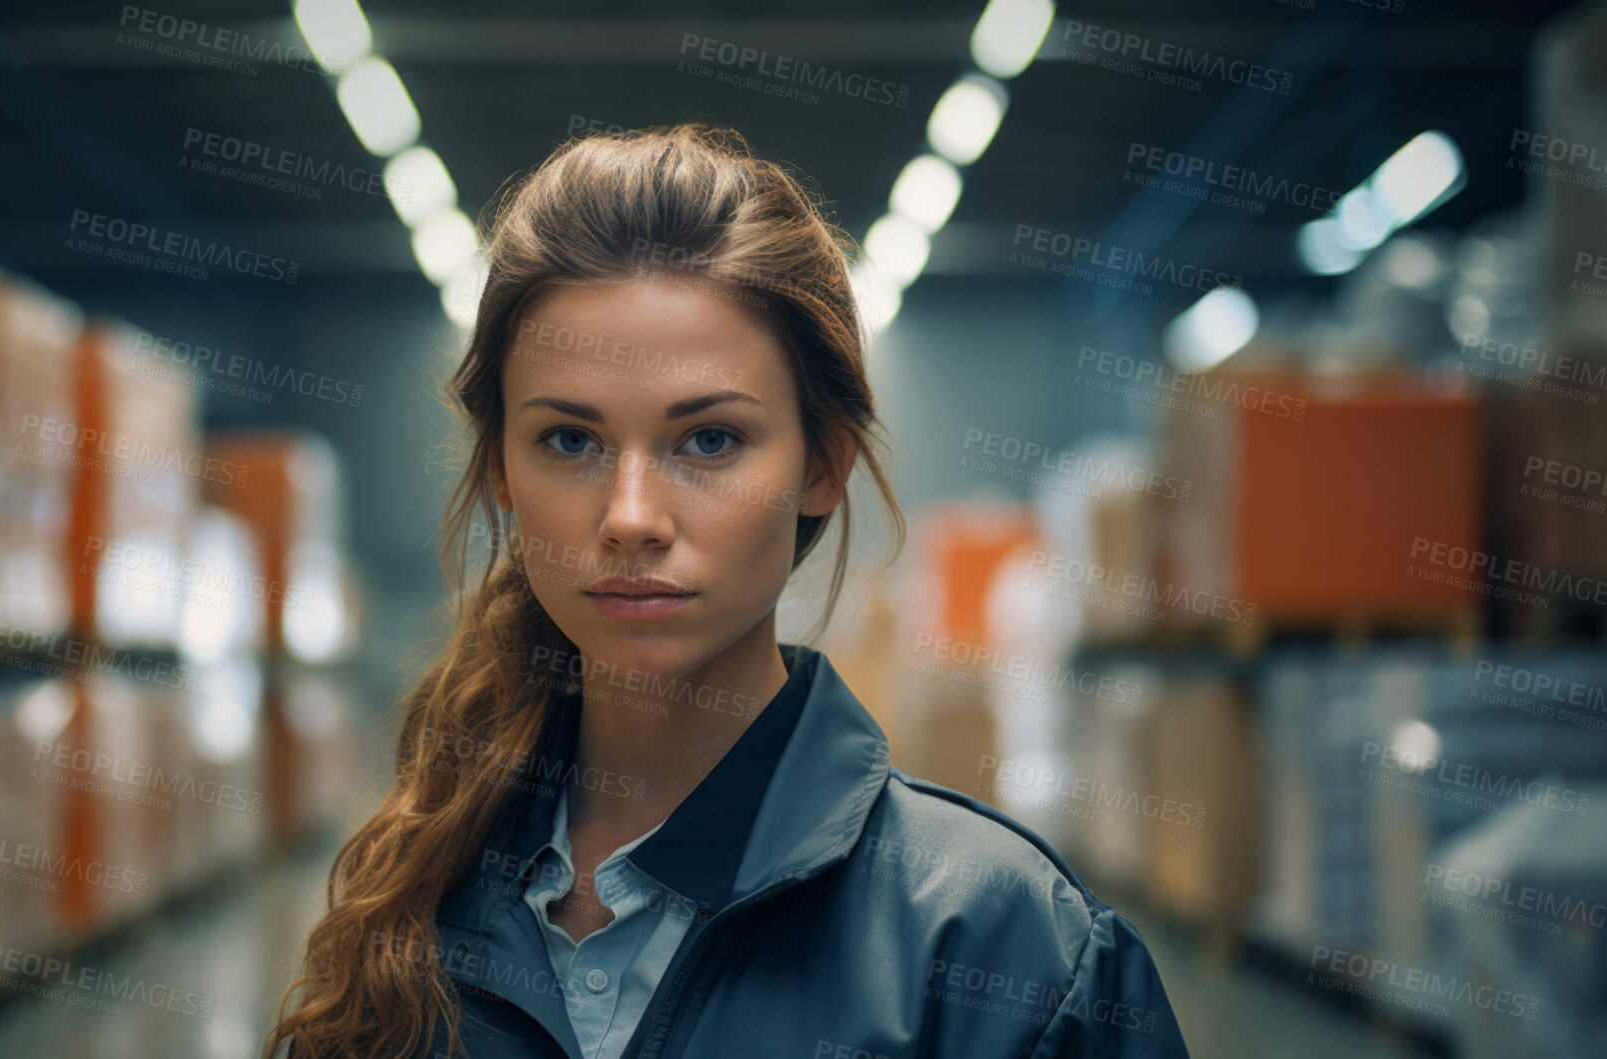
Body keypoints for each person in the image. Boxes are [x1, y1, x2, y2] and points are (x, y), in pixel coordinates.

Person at [264, 122, 1191, 1059]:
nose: (630, 516)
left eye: (708, 440)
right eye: (569, 441)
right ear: (500, 470)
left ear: (822, 465)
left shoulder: (1010, 949)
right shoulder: (403, 905)